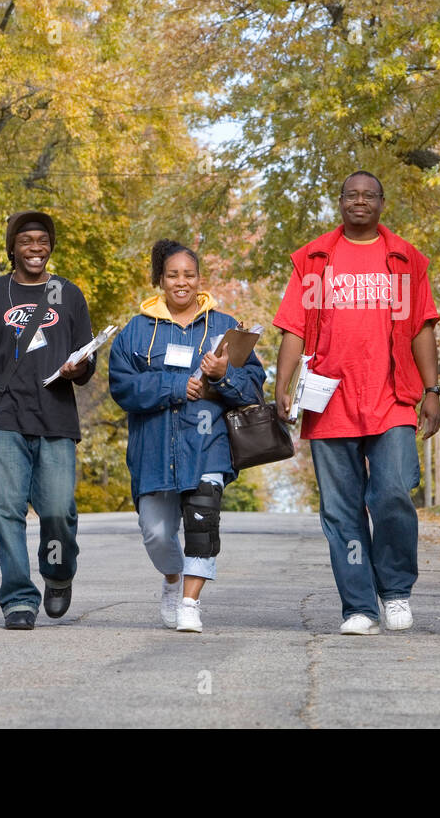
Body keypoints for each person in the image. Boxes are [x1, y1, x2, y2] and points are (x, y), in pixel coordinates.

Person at [273, 170, 440, 635]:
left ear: (382, 202)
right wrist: (281, 384)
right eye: (352, 195)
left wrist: (433, 389)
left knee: (391, 492)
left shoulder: (405, 259)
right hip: (328, 400)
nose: (360, 202)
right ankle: (359, 607)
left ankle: (395, 591)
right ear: (341, 202)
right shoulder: (315, 258)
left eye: (369, 195)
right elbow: (294, 327)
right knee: (341, 508)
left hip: (391, 397)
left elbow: (423, 327)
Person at [0, 210, 96, 630]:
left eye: (42, 240)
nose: (35, 248)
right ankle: (18, 599)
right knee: (6, 511)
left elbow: (88, 359)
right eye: (26, 240)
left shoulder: (70, 295)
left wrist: (76, 368)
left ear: (51, 247)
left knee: (58, 510)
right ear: (12, 247)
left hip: (56, 420)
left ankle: (58, 573)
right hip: (3, 420)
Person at [109, 240, 266, 633]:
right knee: (157, 533)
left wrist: (222, 375)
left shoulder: (225, 328)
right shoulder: (136, 331)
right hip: (154, 449)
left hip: (206, 443)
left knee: (202, 521)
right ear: (160, 279)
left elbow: (253, 387)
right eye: (173, 275)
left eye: (189, 275)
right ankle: (172, 577)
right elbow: (123, 388)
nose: (182, 282)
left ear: (200, 279)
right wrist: (177, 386)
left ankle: (190, 603)